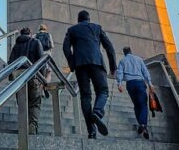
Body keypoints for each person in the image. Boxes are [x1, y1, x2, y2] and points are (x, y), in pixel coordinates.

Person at [63, 10, 116, 138]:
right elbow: (109, 47)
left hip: (81, 65)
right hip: (97, 63)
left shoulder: (72, 30)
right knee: (103, 91)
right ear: (89, 19)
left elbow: (65, 48)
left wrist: (72, 63)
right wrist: (113, 67)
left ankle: (91, 131)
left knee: (85, 96)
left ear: (78, 19)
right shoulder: (97, 28)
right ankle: (97, 112)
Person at [8, 27, 45, 134]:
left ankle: (23, 126)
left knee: (22, 103)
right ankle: (32, 126)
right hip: (33, 76)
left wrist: (11, 76)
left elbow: (11, 62)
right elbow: (41, 61)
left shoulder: (16, 46)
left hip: (18, 78)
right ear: (30, 33)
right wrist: (42, 78)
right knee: (34, 103)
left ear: (20, 34)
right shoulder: (35, 42)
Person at [116, 46, 153, 139]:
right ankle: (143, 124)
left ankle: (141, 124)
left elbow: (119, 72)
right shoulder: (139, 59)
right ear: (131, 51)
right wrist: (150, 84)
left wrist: (119, 84)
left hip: (130, 84)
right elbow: (145, 71)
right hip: (140, 83)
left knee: (136, 105)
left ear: (124, 53)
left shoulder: (122, 61)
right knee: (143, 104)